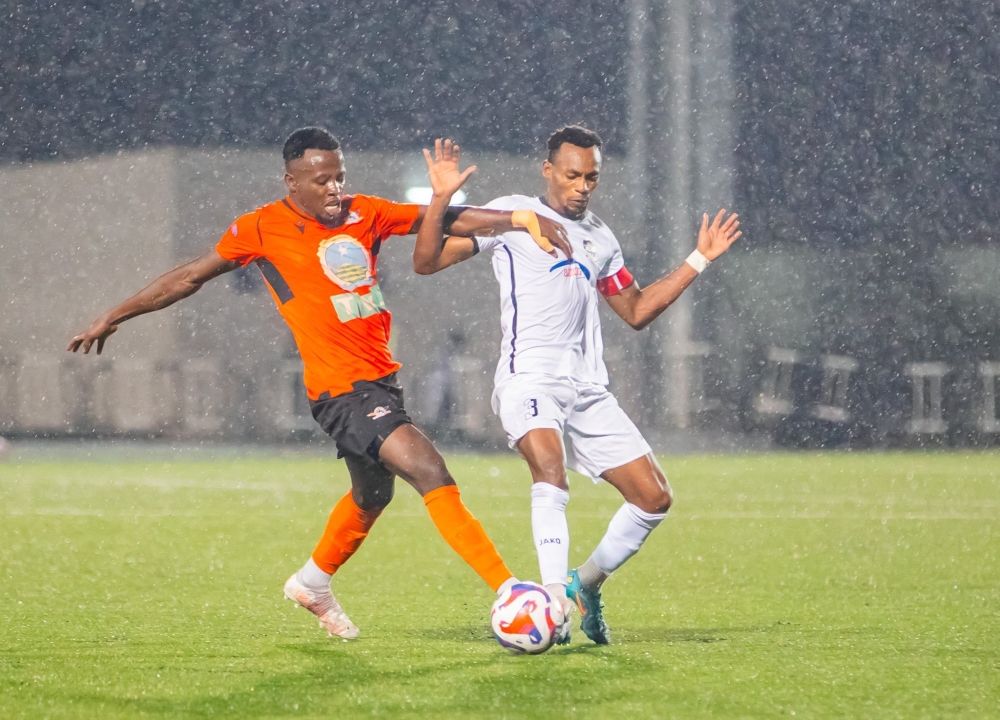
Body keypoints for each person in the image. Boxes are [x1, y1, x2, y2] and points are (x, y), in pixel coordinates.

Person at [68, 127, 572, 640]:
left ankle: (312, 582)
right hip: (340, 390)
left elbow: (438, 219)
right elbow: (188, 277)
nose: (334, 189)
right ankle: (510, 591)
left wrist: (515, 219)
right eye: (321, 180)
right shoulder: (261, 227)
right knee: (429, 470)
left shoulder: (365, 212)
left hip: (379, 381)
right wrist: (115, 314)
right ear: (292, 182)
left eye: (339, 177)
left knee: (372, 496)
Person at [414, 127, 741, 644]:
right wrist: (441, 199)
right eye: (572, 175)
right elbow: (426, 262)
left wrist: (697, 260)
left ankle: (583, 583)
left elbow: (635, 311)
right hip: (529, 378)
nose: (582, 186)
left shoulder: (601, 238)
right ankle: (552, 601)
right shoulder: (511, 214)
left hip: (587, 388)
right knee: (550, 469)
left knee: (653, 498)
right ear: (548, 170)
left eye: (591, 177)